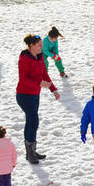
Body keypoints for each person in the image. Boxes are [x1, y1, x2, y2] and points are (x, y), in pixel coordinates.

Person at [16, 34, 59, 164]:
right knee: (33, 120)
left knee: (31, 121)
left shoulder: (40, 57)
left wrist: (54, 89)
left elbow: (44, 74)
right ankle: (30, 152)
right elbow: (23, 80)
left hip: (35, 95)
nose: (42, 47)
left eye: (42, 44)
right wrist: (39, 84)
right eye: (39, 45)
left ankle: (32, 151)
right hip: (24, 95)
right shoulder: (24, 59)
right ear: (31, 46)